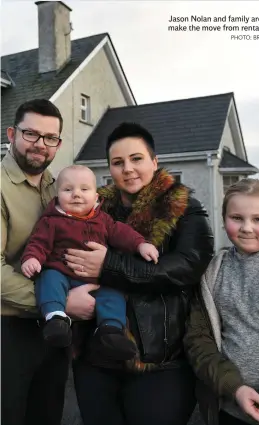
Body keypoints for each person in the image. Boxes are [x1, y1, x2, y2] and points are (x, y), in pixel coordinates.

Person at [60, 122, 215, 425]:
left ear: (154, 162)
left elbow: (186, 267)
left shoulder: (184, 209)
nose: (128, 169)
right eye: (118, 163)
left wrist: (109, 267)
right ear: (109, 169)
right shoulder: (91, 210)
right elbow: (62, 253)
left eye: (137, 159)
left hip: (159, 360)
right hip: (96, 359)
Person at [1, 99, 99, 425]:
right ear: (12, 133)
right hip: (9, 331)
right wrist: (60, 302)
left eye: (50, 137)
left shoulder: (56, 187)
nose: (40, 145)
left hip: (54, 332)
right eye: (31, 134)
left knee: (47, 415)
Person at [184, 178, 259, 425]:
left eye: (258, 219)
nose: (246, 228)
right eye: (237, 218)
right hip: (229, 406)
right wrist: (234, 388)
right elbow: (198, 339)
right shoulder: (211, 271)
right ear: (224, 219)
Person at [20, 164, 159, 360]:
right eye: (68, 190)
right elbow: (38, 242)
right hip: (62, 273)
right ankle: (55, 318)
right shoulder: (51, 221)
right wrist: (32, 258)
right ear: (57, 195)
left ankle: (111, 330)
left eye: (84, 189)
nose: (76, 194)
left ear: (95, 196)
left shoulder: (102, 219)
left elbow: (122, 233)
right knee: (48, 278)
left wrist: (141, 245)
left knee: (113, 290)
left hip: (95, 279)